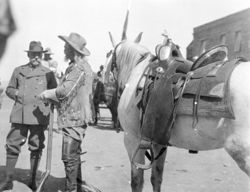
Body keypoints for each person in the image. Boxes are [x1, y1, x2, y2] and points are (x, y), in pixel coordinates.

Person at [39, 32, 93, 192]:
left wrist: (47, 94)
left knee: (69, 157)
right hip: (73, 116)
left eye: (66, 47)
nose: (63, 49)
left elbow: (64, 91)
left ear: (73, 50)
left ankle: (71, 189)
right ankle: (76, 186)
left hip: (75, 118)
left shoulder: (79, 68)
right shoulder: (76, 67)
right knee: (73, 156)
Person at [0, 41, 57, 191]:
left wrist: (49, 101)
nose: (36, 57)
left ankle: (32, 180)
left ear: (42, 56)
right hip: (20, 114)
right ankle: (7, 181)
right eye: (33, 54)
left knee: (36, 146)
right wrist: (16, 93)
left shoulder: (48, 73)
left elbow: (54, 92)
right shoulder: (18, 71)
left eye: (39, 55)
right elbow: (9, 89)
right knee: (12, 145)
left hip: (38, 115)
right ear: (28, 55)